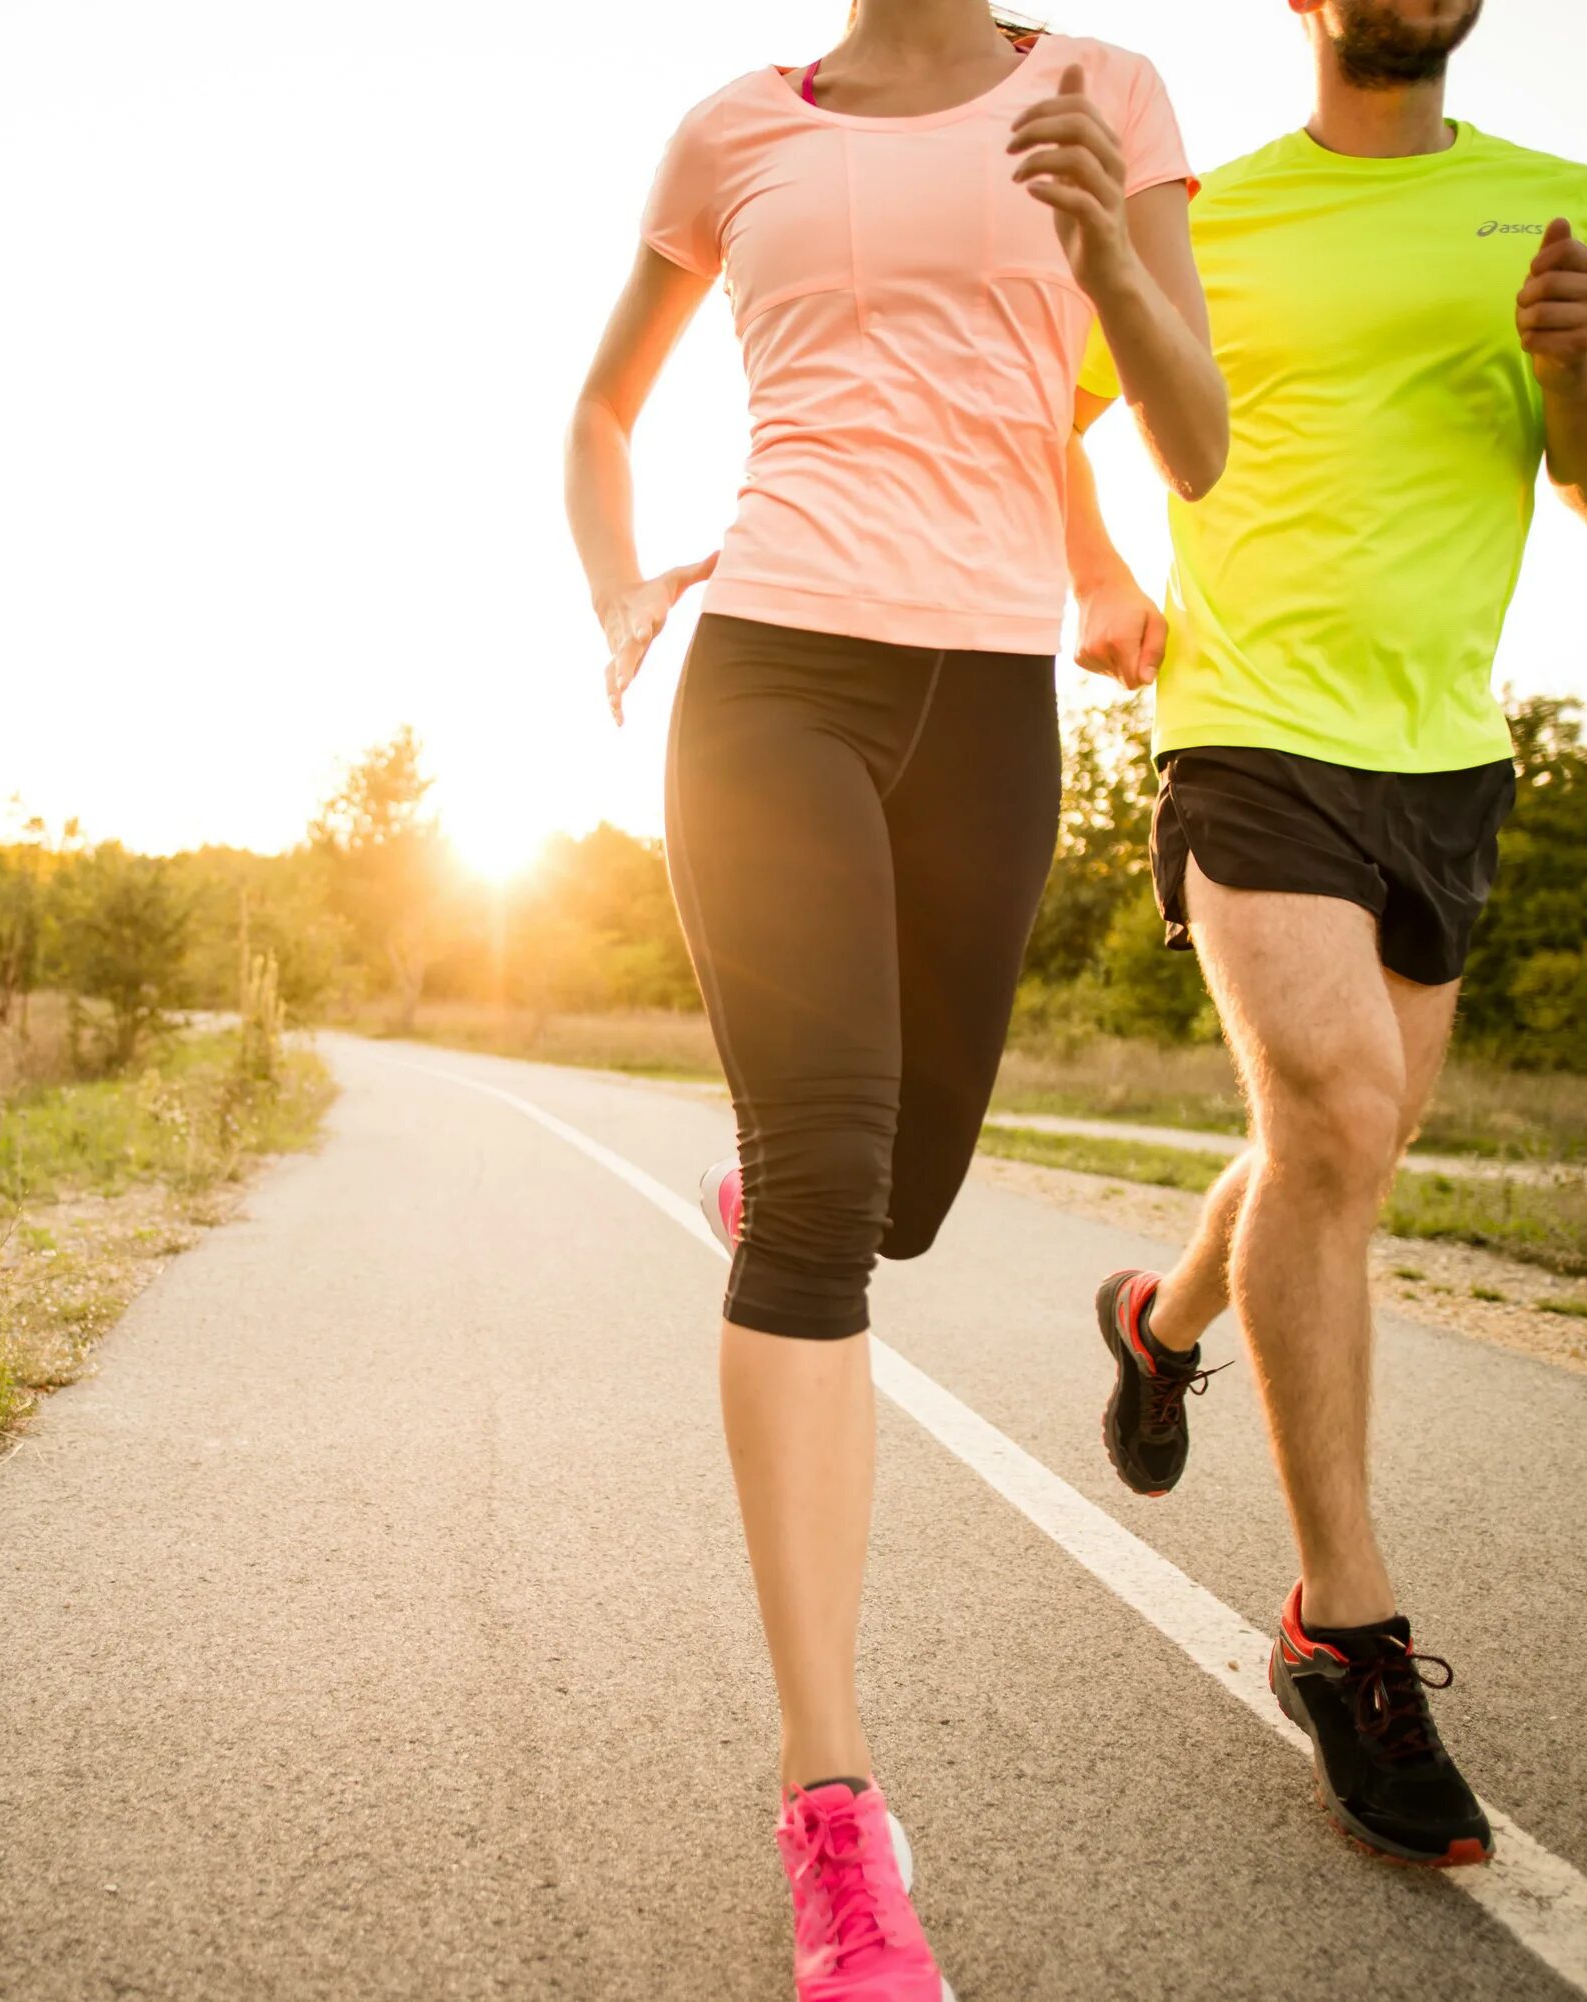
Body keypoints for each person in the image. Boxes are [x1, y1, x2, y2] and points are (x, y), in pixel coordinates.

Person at [567, 4, 1225, 1994]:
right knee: (835, 1179)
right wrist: (614, 585)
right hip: (768, 670)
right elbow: (601, 411)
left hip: (983, 702)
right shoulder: (733, 130)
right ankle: (834, 1815)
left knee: (905, 1189)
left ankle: (791, 1198)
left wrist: (1112, 254)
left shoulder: (1108, 94)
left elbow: (1195, 433)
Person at [1067, 0, 1587, 1869]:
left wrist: (1574, 373)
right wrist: (1097, 576)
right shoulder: (1207, 215)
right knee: (1330, 1120)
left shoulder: (1560, 209)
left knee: (1343, 1136)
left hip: (1449, 756)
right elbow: (1031, 406)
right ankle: (1345, 1628)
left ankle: (1159, 1322)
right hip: (1246, 728)